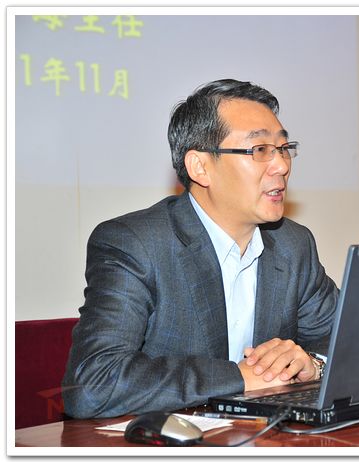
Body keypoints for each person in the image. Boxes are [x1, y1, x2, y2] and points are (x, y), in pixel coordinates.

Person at [62, 79, 339, 419]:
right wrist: (238, 377)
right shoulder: (136, 244)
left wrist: (312, 364)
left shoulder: (292, 244)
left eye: (283, 148)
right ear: (200, 167)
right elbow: (93, 385)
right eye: (259, 150)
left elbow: (349, 341)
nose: (281, 165)